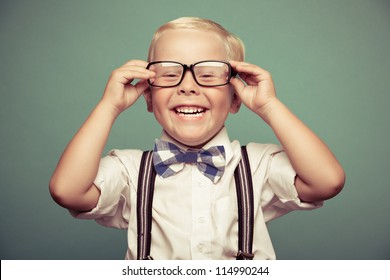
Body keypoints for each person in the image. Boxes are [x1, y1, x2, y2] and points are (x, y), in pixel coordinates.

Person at [49, 17, 345, 260]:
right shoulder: (130, 171)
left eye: (208, 74)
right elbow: (68, 191)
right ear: (149, 97)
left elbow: (326, 181)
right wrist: (108, 107)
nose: (188, 86)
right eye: (168, 74)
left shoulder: (257, 165)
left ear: (235, 98)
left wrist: (270, 107)